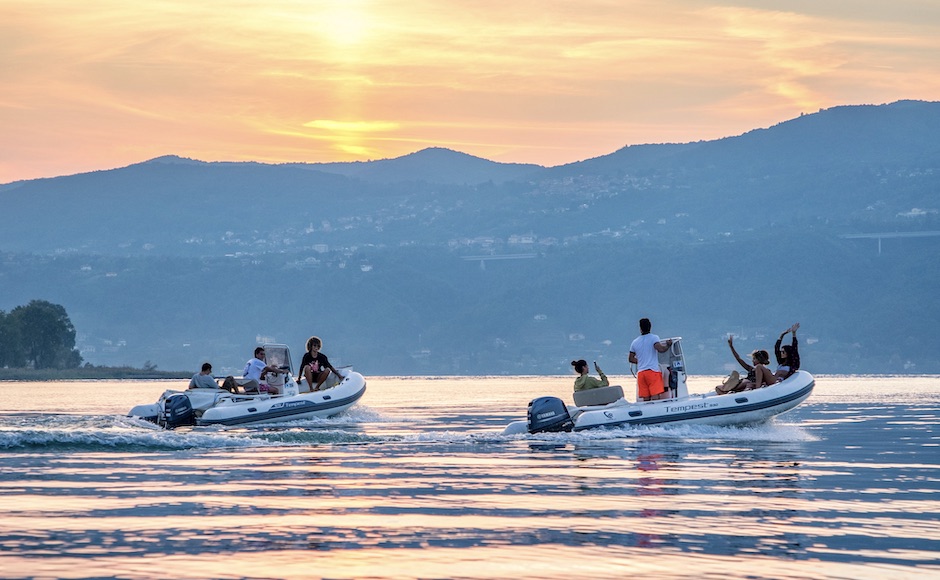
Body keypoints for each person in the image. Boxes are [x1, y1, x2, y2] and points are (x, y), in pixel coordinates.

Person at [629, 318, 673, 401]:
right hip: (652, 371)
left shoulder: (635, 342)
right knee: (655, 396)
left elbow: (631, 359)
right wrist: (668, 345)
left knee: (646, 398)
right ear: (650, 327)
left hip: (641, 373)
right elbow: (661, 349)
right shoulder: (654, 338)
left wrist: (641, 361)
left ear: (640, 328)